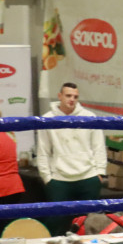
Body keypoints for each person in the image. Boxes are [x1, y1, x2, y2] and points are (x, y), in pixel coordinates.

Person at [36, 83, 106, 235]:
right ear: (59, 96)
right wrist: (47, 177)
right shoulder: (47, 119)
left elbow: (99, 147)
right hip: (59, 180)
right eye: (68, 96)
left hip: (88, 177)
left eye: (75, 96)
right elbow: (43, 151)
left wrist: (100, 173)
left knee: (90, 223)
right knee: (57, 224)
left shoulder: (89, 117)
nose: (72, 99)